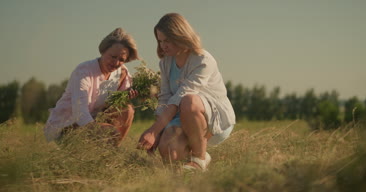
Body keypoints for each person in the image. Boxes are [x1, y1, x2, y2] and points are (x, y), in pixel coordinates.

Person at [138, 13, 236, 171]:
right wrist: (158, 132)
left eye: (167, 40)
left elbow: (181, 97)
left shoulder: (203, 60)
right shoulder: (165, 62)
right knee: (169, 152)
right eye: (160, 41)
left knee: (189, 100)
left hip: (212, 118)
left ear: (180, 35)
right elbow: (165, 98)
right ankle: (196, 162)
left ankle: (198, 159)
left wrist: (154, 130)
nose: (163, 45)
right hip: (179, 115)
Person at [44, 27, 139, 145]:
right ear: (103, 51)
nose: (116, 63)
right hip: (66, 126)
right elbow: (80, 113)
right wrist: (100, 130)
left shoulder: (122, 73)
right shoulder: (84, 71)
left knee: (127, 110)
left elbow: (114, 106)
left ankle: (110, 153)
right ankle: (108, 151)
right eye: (113, 57)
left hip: (95, 121)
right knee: (110, 131)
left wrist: (127, 97)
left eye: (121, 59)